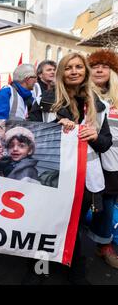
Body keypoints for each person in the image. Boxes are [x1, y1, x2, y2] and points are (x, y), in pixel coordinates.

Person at [27, 52, 113, 285]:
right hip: (50, 175)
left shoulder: (98, 105)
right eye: (68, 67)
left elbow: (105, 144)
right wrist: (55, 127)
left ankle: (75, 270)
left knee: (73, 225)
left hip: (83, 177)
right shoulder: (44, 101)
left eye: (79, 67)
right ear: (62, 72)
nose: (74, 71)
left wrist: (95, 136)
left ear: (85, 71)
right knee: (45, 222)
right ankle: (39, 268)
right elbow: (29, 134)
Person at [87, 49, 118, 269]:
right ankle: (103, 244)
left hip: (115, 158)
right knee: (104, 203)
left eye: (105, 66)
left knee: (110, 202)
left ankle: (103, 241)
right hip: (94, 157)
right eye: (95, 66)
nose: (99, 69)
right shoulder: (83, 93)